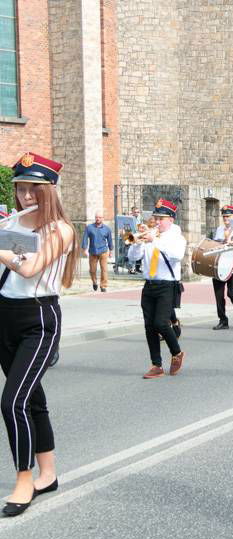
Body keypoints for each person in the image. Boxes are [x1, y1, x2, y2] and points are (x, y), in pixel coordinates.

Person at [0, 153, 76, 517]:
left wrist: (2, 249)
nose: (26, 195)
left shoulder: (59, 229)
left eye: (34, 189)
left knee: (12, 401)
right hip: (5, 316)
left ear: (49, 191)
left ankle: (24, 478)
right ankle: (48, 473)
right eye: (20, 189)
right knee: (33, 401)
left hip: (39, 318)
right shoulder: (16, 224)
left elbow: (29, 269)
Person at [127, 199, 187, 379]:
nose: (157, 222)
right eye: (156, 218)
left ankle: (176, 353)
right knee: (149, 326)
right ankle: (156, 365)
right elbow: (132, 257)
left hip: (167, 285)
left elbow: (177, 256)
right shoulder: (151, 236)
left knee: (160, 322)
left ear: (171, 220)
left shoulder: (177, 238)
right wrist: (137, 242)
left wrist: (155, 240)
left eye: (161, 218)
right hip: (149, 285)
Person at [211, 205, 233, 330]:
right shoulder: (219, 229)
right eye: (224, 216)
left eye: (228, 216)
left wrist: (229, 238)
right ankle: (223, 320)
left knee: (232, 293)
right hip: (219, 264)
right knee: (219, 295)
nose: (225, 218)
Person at [81, 210, 113, 292]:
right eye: (96, 217)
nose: (98, 219)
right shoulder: (89, 228)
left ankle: (103, 285)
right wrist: (84, 249)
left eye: (99, 217)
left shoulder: (107, 229)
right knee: (92, 270)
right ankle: (94, 282)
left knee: (104, 269)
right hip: (93, 251)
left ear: (103, 218)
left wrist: (111, 250)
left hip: (103, 251)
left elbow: (110, 240)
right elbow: (85, 238)